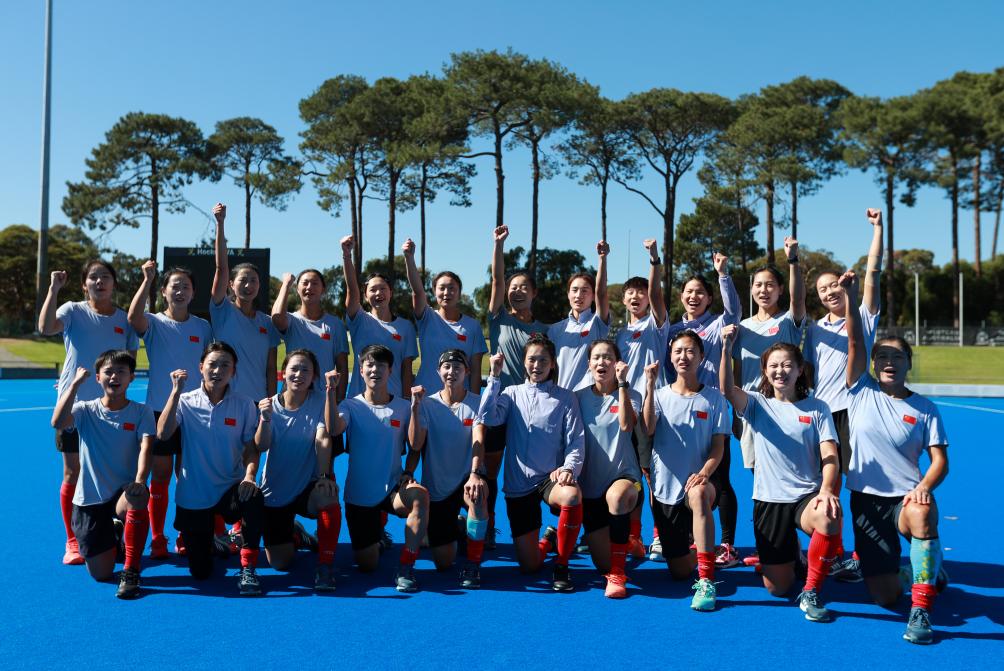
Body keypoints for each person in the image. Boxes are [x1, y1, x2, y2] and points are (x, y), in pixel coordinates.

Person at [841, 271, 949, 645]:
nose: (889, 362)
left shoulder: (926, 408)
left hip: (906, 499)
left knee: (922, 512)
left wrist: (923, 487)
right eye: (882, 357)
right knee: (884, 597)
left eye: (897, 357)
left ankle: (921, 608)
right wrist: (851, 297)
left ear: (908, 364)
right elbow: (855, 339)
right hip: (866, 502)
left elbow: (940, 461)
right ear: (873, 364)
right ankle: (925, 571)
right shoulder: (860, 390)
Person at [720, 323, 842, 622]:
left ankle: (811, 591)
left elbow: (830, 455)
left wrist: (827, 490)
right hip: (769, 501)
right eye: (773, 366)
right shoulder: (757, 404)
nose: (780, 371)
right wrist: (725, 348)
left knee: (829, 516)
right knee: (777, 588)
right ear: (765, 371)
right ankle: (794, 559)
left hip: (806, 497)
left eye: (787, 365)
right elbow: (726, 390)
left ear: (800, 370)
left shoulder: (818, 408)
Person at [38, 261, 139, 565]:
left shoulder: (125, 320)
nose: (99, 282)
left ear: (114, 284)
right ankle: (72, 540)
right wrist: (54, 289)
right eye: (93, 277)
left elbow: (129, 365)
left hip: (111, 412)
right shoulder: (72, 310)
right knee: (73, 472)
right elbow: (45, 328)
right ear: (84, 285)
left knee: (111, 474)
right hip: (75, 409)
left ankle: (110, 529)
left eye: (105, 277)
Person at [804, 209, 883, 582]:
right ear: (819, 298)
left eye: (833, 284)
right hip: (824, 416)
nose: (829, 291)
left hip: (858, 412)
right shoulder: (815, 330)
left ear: (844, 284)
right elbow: (809, 373)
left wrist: (877, 229)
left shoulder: (864, 313)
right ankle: (833, 555)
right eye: (822, 289)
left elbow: (874, 272)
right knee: (827, 487)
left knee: (864, 487)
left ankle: (865, 554)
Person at [156, 342, 268, 596]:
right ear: (201, 367)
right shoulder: (185, 401)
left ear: (234, 371)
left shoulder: (244, 404)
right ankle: (215, 542)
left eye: (225, 365)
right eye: (212, 364)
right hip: (194, 494)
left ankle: (248, 567)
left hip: (230, 488)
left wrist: (250, 476)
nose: (218, 371)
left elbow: (252, 448)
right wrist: (175, 392)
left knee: (253, 496)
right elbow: (162, 433)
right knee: (200, 572)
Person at [477, 338, 585, 592]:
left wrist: (569, 468)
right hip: (519, 484)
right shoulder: (511, 393)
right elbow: (486, 416)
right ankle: (549, 540)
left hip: (550, 478)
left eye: (543, 360)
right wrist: (494, 376)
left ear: (552, 364)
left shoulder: (566, 398)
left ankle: (562, 564)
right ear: (524, 362)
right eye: (532, 359)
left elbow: (576, 441)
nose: (537, 365)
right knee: (529, 566)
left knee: (571, 496)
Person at [324, 344, 430, 592]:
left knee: (420, 496)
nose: (375, 370)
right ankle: (377, 536)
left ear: (390, 371)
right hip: (360, 495)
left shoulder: (403, 406)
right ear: (360, 370)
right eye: (370, 365)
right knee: (367, 565)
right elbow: (333, 428)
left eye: (381, 365)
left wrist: (415, 408)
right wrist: (330, 391)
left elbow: (416, 445)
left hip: (393, 489)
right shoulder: (350, 405)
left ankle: (406, 565)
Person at [51, 351, 154, 599]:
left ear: (131, 377)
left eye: (121, 372)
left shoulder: (142, 412)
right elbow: (58, 422)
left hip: (122, 494)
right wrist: (74, 384)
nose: (114, 376)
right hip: (90, 499)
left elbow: (146, 448)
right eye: (108, 372)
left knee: (139, 495)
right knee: (101, 574)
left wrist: (140, 481)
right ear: (98, 378)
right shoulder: (85, 410)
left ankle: (131, 570)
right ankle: (116, 534)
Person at [128, 260, 213, 558]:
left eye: (185, 287)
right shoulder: (153, 322)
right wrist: (147, 280)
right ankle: (157, 537)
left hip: (194, 412)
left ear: (193, 293)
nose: (180, 291)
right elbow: (133, 317)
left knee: (187, 476)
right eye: (174, 286)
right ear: (164, 291)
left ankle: (184, 532)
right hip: (159, 411)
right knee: (161, 476)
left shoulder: (203, 327)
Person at [663, 252, 741, 567]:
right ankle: (691, 536)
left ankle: (727, 543)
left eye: (700, 292)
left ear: (709, 298)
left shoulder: (718, 324)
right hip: (681, 412)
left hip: (713, 409)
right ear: (681, 297)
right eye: (688, 292)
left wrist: (723, 274)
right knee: (686, 478)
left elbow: (733, 311)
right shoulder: (673, 330)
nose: (693, 296)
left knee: (719, 477)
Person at [732, 238, 806, 566]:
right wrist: (736, 413)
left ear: (779, 290)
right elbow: (737, 372)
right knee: (760, 480)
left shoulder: (788, 322)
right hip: (751, 412)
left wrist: (793, 261)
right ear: (751, 291)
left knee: (784, 480)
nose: (764, 290)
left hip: (783, 412)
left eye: (770, 285)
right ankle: (772, 546)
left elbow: (799, 298)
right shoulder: (742, 328)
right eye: (758, 285)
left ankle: (791, 549)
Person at [642, 331, 728, 611]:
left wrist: (705, 472)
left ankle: (707, 579)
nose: (684, 357)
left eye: (690, 351)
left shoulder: (714, 399)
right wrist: (650, 385)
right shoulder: (659, 395)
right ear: (670, 356)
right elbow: (648, 428)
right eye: (678, 351)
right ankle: (703, 549)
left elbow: (718, 447)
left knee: (699, 494)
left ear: (701, 357)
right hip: (665, 488)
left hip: (701, 481)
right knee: (679, 571)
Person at [484, 224, 550, 550]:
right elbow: (497, 280)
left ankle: (536, 531)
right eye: (513, 287)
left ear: (534, 293)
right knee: (489, 472)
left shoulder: (544, 331)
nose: (517, 291)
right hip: (500, 407)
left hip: (530, 412)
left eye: (524, 287)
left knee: (532, 473)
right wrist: (498, 245)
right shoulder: (499, 319)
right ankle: (485, 525)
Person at [259, 349, 343, 592]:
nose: (299, 374)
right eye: (294, 369)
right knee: (280, 563)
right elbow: (261, 446)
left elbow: (323, 438)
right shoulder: (269, 406)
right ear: (283, 373)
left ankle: (325, 565)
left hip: (307, 486)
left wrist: (325, 475)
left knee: (328, 495)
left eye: (306, 370)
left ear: (314, 376)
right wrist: (264, 419)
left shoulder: (320, 401)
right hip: (275, 491)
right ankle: (296, 534)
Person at [408, 350, 489, 588]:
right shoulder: (427, 404)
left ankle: (473, 564)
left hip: (467, 479)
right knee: (443, 563)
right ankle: (460, 527)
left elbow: (478, 439)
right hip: (438, 487)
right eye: (446, 367)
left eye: (457, 367)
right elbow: (415, 444)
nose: (451, 372)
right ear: (438, 371)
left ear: (467, 372)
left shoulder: (477, 403)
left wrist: (475, 473)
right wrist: (414, 408)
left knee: (478, 493)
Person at [613, 239, 667, 561]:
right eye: (630, 293)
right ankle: (634, 536)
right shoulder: (619, 334)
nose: (636, 296)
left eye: (641, 292)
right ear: (623, 299)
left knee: (651, 474)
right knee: (629, 475)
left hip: (652, 409)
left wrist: (654, 261)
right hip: (625, 410)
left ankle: (659, 535)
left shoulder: (656, 325)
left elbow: (657, 294)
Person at [574, 340, 641, 598]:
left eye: (608, 357)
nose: (602, 362)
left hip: (625, 478)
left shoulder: (632, 394)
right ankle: (627, 542)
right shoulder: (578, 398)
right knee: (601, 563)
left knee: (617, 496)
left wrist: (622, 384)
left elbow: (626, 425)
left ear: (618, 363)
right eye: (596, 357)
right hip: (591, 489)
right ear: (589, 364)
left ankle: (618, 573)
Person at [209, 202, 280, 402]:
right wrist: (220, 223)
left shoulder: (267, 323)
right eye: (243, 280)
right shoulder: (222, 311)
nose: (248, 285)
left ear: (259, 285)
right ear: (231, 284)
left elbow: (271, 368)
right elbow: (221, 268)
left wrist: (271, 403)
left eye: (253, 280)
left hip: (258, 403)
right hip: (226, 401)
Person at [403, 238, 488, 393]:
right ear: (434, 292)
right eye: (442, 288)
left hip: (460, 401)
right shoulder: (427, 317)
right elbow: (417, 291)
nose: (447, 292)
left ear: (460, 293)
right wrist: (409, 258)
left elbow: (475, 371)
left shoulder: (473, 326)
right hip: (426, 397)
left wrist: (475, 402)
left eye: (452, 288)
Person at [340, 235, 418, 401]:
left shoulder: (406, 327)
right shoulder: (359, 320)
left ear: (391, 293)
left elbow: (406, 370)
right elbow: (352, 290)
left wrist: (406, 403)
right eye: (372, 290)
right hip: (360, 403)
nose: (378, 293)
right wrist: (347, 255)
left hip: (394, 404)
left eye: (383, 288)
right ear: (365, 296)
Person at [271, 269, 349, 393]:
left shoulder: (336, 324)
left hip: (324, 397)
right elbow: (276, 317)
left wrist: (339, 398)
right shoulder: (291, 321)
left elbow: (342, 366)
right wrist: (286, 284)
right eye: (305, 283)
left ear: (323, 289)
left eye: (314, 283)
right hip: (293, 397)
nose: (309, 287)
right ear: (297, 289)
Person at [548, 241, 611, 391]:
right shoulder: (555, 330)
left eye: (585, 291)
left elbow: (602, 293)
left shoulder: (597, 322)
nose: (578, 295)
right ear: (568, 294)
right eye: (574, 290)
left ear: (593, 296)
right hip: (560, 396)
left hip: (589, 396)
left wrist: (602, 258)